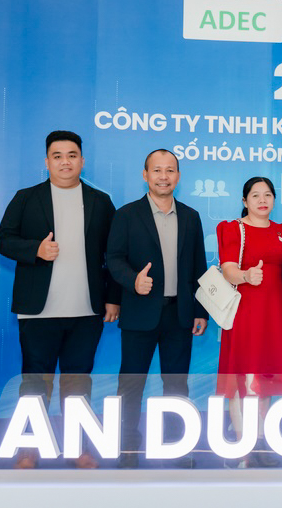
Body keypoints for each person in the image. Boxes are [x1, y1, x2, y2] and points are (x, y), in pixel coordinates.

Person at [0, 130, 119, 469]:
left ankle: (78, 449)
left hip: (86, 310)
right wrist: (35, 249)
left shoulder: (101, 201)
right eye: (58, 156)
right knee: (35, 382)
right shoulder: (26, 198)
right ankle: (28, 449)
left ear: (82, 160)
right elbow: (3, 240)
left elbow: (114, 254)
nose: (65, 162)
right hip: (39, 310)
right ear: (47, 161)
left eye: (72, 155)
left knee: (78, 383)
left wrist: (113, 298)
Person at [106, 149, 208, 468]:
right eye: (157, 170)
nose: (164, 176)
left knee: (177, 384)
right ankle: (127, 445)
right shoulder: (126, 215)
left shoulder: (190, 216)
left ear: (178, 176)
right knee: (131, 382)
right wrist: (132, 280)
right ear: (145, 175)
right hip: (139, 312)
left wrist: (201, 310)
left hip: (179, 314)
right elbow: (113, 259)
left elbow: (199, 267)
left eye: (170, 170)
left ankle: (176, 445)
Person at [216, 177, 282, 467]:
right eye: (255, 195)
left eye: (267, 195)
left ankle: (260, 440)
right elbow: (227, 269)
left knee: (266, 379)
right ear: (244, 201)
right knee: (242, 379)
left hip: (275, 315)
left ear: (274, 199)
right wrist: (246, 276)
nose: (262, 200)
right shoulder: (233, 229)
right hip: (246, 314)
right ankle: (243, 444)